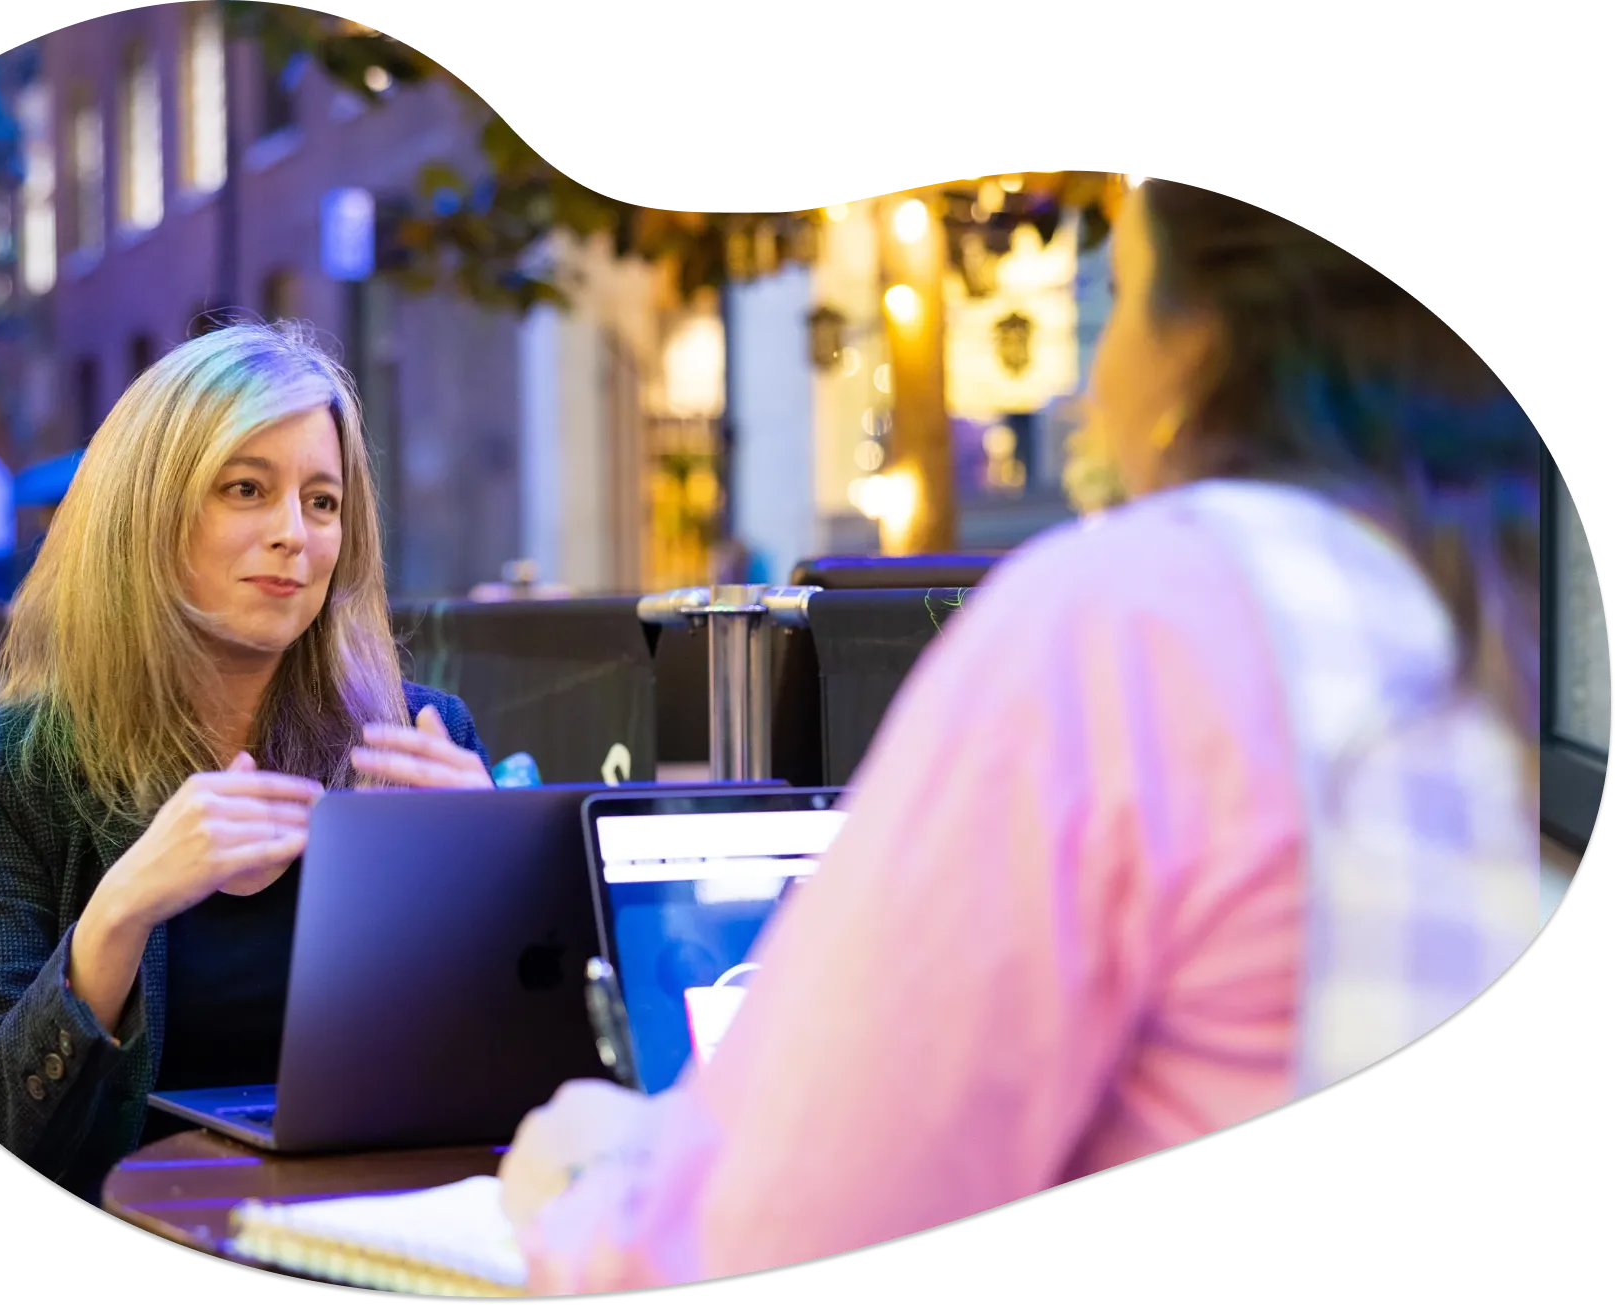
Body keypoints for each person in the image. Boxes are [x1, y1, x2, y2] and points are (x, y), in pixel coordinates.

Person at [496, 177, 1546, 1291]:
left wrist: (584, 1179)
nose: (1092, 390)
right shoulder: (1457, 639)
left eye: (1127, 293)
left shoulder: (1131, 618)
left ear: (1203, 342)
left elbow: (775, 1238)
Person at [0, 322, 496, 1203]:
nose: (293, 536)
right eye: (245, 488)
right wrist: (115, 917)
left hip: (385, 1223)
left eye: (322, 501)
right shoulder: (9, 768)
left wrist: (501, 895)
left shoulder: (422, 739)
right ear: (147, 515)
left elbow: (540, 1092)